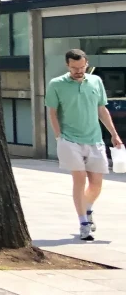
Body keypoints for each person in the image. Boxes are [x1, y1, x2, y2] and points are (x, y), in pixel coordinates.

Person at [46, 49, 125, 241]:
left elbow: (101, 109)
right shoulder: (56, 84)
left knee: (96, 184)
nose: (78, 71)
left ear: (86, 64)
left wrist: (114, 134)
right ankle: (83, 223)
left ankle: (87, 208)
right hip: (70, 140)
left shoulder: (95, 81)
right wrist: (59, 137)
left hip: (95, 140)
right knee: (79, 179)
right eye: (74, 68)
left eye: (82, 67)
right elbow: (53, 113)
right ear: (68, 66)